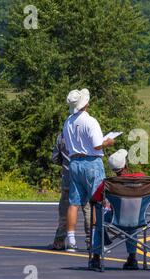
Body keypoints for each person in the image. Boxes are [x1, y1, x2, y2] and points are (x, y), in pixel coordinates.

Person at [62, 88, 114, 252]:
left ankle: (70, 240)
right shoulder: (90, 121)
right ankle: (95, 241)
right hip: (91, 162)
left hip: (74, 162)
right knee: (97, 201)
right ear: (86, 104)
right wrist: (109, 142)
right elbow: (97, 144)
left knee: (74, 202)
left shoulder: (68, 122)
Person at [89, 149, 147, 271]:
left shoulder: (109, 183)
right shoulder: (142, 178)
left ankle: (96, 257)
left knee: (99, 216)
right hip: (137, 218)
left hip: (115, 219)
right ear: (125, 165)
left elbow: (94, 199)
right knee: (131, 224)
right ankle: (132, 258)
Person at [47, 133, 92, 251]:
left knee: (65, 210)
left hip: (68, 177)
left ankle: (59, 241)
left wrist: (66, 163)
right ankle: (91, 241)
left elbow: (55, 158)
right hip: (85, 176)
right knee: (88, 209)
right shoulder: (86, 133)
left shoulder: (62, 136)